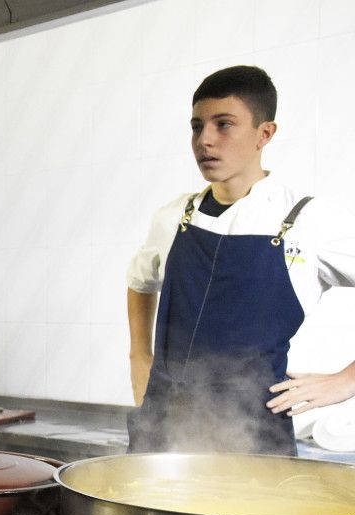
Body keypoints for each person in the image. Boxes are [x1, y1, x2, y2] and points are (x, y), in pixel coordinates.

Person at [126, 65, 355, 456]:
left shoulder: (306, 221)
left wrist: (346, 381)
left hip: (255, 439)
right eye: (197, 126)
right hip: (163, 432)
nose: (205, 141)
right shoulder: (172, 218)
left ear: (264, 134)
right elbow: (139, 282)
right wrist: (139, 355)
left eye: (224, 124)